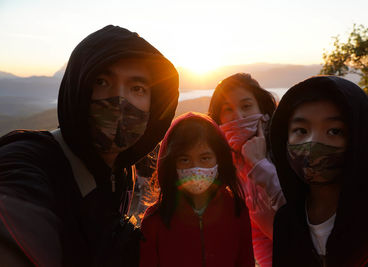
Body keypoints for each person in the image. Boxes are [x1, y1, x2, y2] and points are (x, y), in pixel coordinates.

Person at [0, 25, 179, 266]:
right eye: (102, 81)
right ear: (78, 88)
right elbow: (16, 214)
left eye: (137, 88)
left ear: (153, 105)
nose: (119, 101)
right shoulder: (29, 161)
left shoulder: (123, 171)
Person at [269, 76, 368, 266]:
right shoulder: (286, 223)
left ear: (359, 138)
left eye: (334, 131)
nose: (312, 143)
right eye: (301, 130)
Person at [139, 112, 254, 267]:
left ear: (219, 159)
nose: (195, 168)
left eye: (205, 158)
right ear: (172, 164)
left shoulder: (237, 211)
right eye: (185, 160)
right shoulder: (155, 220)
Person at [208, 73, 285, 266]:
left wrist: (260, 164)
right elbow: (258, 233)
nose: (239, 116)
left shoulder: (286, 148)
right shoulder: (232, 168)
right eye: (228, 109)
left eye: (246, 106)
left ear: (262, 109)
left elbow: (302, 215)